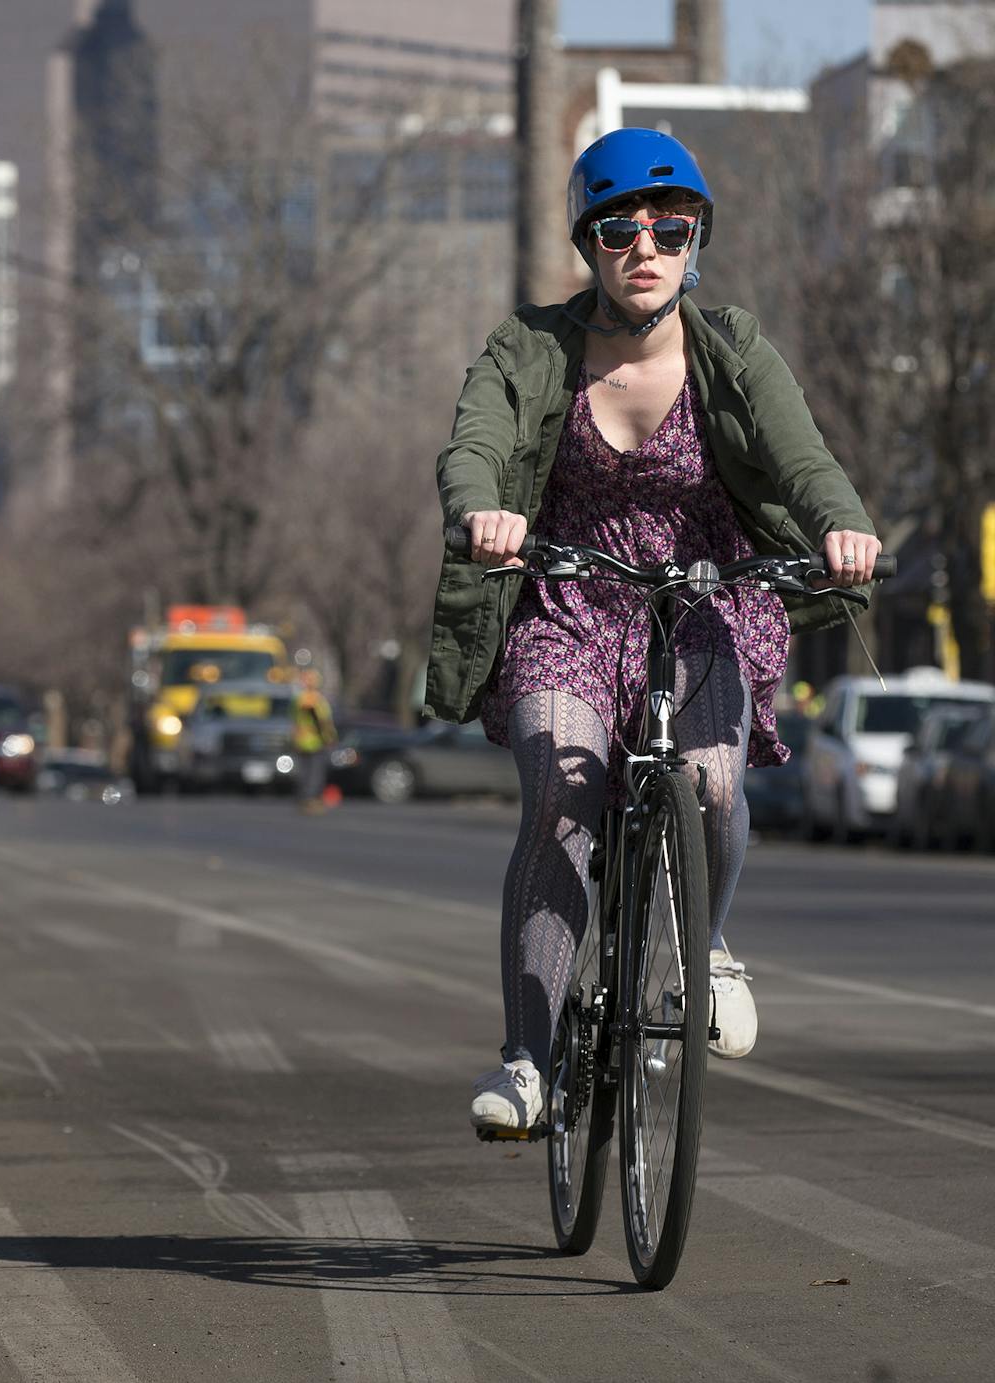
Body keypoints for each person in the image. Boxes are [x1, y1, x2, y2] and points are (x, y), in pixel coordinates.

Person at [422, 128, 882, 1135]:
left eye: (667, 231)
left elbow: (798, 457)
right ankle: (527, 1065)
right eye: (620, 230)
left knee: (711, 779)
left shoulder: (731, 349)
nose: (645, 249)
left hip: (705, 597)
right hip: (567, 600)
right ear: (588, 243)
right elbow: (477, 445)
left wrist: (838, 525)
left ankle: (704, 945)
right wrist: (480, 513)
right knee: (557, 794)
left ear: (693, 242)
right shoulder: (529, 348)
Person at [292, 669, 338, 813]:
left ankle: (305, 799)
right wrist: (330, 738)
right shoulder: (314, 700)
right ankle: (310, 800)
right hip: (316, 742)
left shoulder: (298, 699)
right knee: (314, 773)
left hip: (302, 741)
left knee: (305, 773)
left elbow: (295, 721)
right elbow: (323, 722)